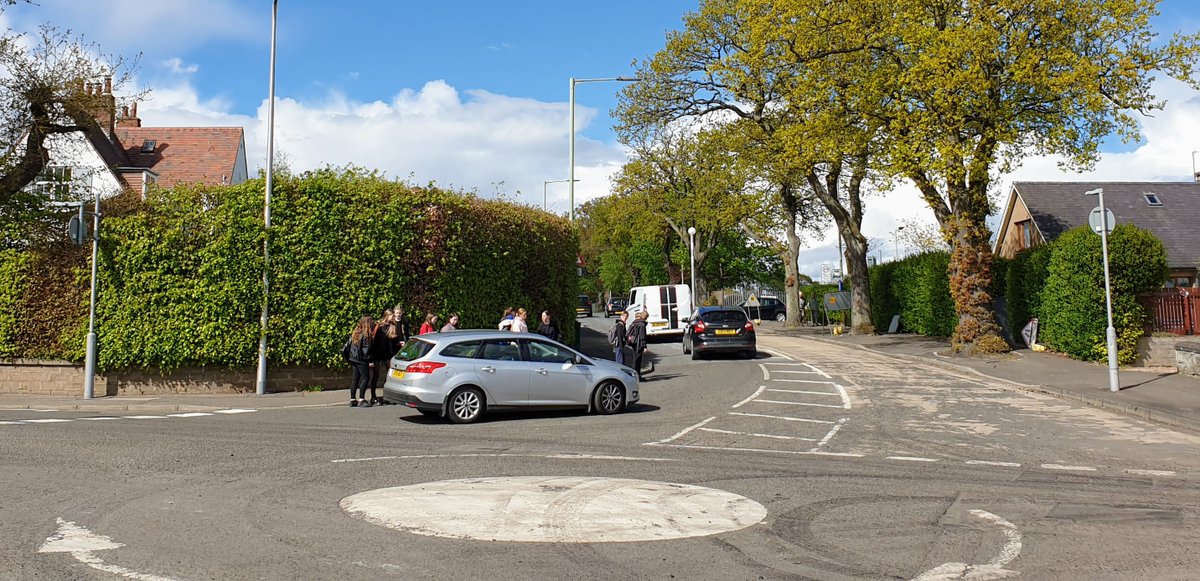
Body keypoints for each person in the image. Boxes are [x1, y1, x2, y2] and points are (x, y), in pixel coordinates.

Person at [342, 315, 376, 407]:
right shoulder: (366, 335)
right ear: (368, 324)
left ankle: (352, 400)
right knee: (366, 378)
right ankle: (361, 399)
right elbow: (366, 351)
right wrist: (371, 361)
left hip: (353, 359)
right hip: (361, 360)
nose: (372, 324)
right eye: (371, 322)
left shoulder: (356, 332)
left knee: (355, 379)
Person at [368, 311, 392, 406]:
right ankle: (373, 396)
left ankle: (386, 395)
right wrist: (371, 357)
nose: (393, 317)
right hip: (377, 354)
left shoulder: (392, 326)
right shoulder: (378, 326)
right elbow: (372, 341)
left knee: (389, 374)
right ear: (387, 316)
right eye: (391, 316)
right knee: (375, 375)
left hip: (387, 354)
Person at [626, 310, 651, 380]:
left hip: (634, 343)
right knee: (638, 361)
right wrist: (644, 347)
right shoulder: (642, 325)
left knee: (635, 360)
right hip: (638, 345)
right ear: (645, 317)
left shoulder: (635, 322)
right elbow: (642, 337)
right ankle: (637, 376)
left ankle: (634, 375)